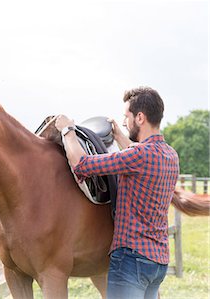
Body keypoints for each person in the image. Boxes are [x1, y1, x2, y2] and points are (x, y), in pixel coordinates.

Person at [55, 86, 179, 299]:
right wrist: (121, 138)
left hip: (131, 261)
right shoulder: (170, 155)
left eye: (127, 116)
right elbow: (140, 157)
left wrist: (68, 130)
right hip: (157, 262)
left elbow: (81, 165)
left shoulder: (138, 156)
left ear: (140, 117)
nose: (124, 122)